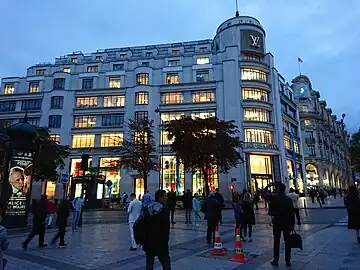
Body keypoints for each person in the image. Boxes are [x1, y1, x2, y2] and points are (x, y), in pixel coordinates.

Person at [143, 190, 171, 270]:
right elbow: (166, 227)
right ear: (160, 197)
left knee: (149, 263)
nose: (166, 198)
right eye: (165, 196)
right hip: (161, 242)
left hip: (148, 241)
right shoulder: (164, 209)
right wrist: (166, 239)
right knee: (166, 264)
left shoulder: (148, 208)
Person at [269, 183, 295, 267]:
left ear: (278, 189)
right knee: (288, 242)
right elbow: (292, 214)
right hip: (287, 223)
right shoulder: (288, 200)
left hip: (277, 223)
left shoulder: (274, 199)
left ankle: (276, 260)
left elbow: (270, 212)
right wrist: (292, 224)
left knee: (276, 242)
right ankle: (288, 260)